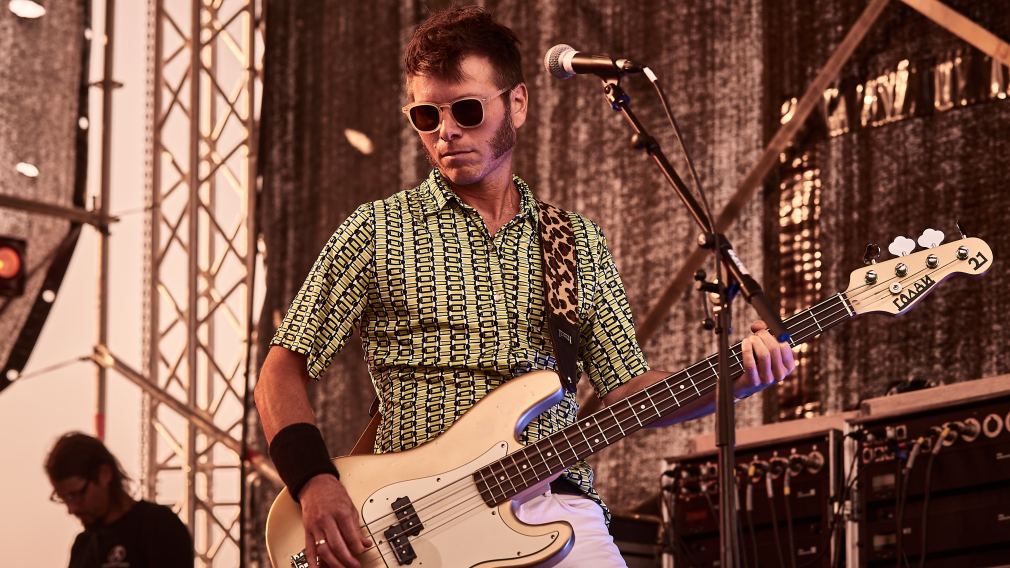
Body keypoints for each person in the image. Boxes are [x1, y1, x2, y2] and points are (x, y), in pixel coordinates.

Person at [255, 6, 796, 568]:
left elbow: (626, 391)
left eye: (466, 109)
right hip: (409, 524)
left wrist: (734, 380)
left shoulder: (574, 241)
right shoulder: (379, 229)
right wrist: (314, 481)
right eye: (425, 115)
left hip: (552, 504)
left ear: (516, 103)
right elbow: (281, 368)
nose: (446, 131)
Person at [45, 432, 194, 568]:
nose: (72, 508)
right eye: (63, 498)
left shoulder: (157, 526)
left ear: (104, 474)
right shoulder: (83, 546)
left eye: (76, 495)